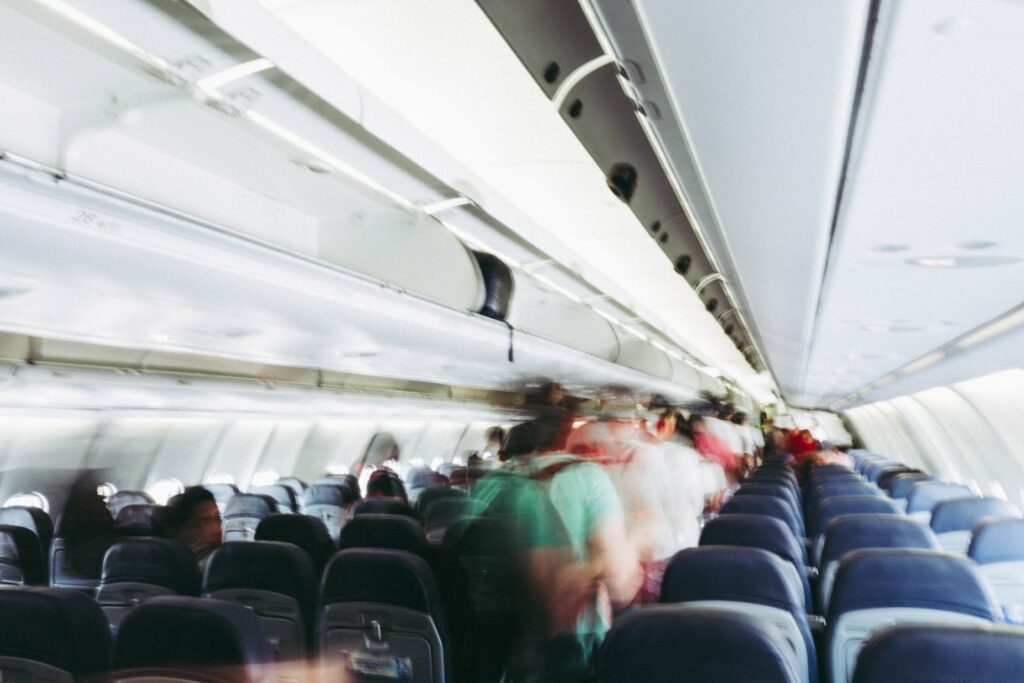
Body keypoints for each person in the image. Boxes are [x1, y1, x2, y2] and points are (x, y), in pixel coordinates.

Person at [474, 413, 642, 681]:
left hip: (500, 640)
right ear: (567, 434)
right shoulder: (588, 477)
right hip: (571, 640)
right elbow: (621, 581)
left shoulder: (487, 484)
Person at [164, 486, 221, 570]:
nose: (217, 528)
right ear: (185, 528)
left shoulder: (222, 559)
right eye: (205, 521)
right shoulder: (168, 562)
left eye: (218, 518)